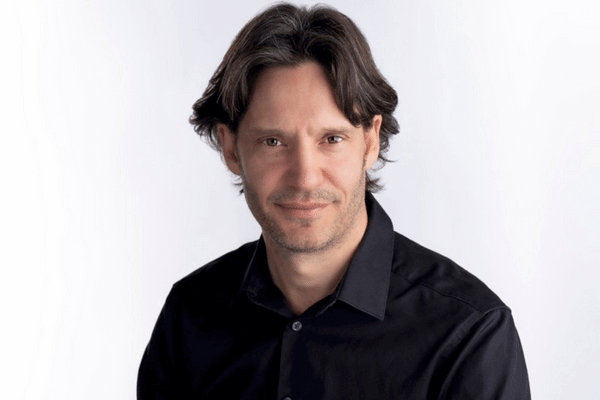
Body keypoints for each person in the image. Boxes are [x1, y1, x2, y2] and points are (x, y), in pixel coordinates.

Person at [137, 3, 530, 399]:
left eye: (332, 139)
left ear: (370, 141)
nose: (305, 177)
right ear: (230, 148)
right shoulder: (188, 316)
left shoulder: (468, 334)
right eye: (273, 141)